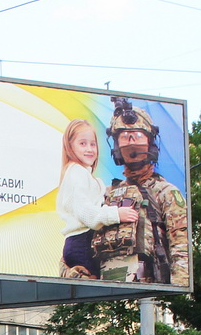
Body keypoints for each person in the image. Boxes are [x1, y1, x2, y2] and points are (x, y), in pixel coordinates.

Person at [90, 98, 190, 286]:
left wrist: (178, 290)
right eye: (124, 134)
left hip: (152, 293)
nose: (131, 139)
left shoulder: (165, 192)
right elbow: (78, 246)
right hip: (108, 295)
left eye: (137, 134)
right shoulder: (107, 194)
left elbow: (181, 247)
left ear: (150, 141)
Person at [56, 118, 137, 279]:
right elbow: (87, 214)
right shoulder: (77, 173)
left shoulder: (83, 175)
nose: (89, 149)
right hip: (82, 244)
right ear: (69, 146)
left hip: (81, 243)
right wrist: (116, 214)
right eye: (82, 143)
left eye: (93, 144)